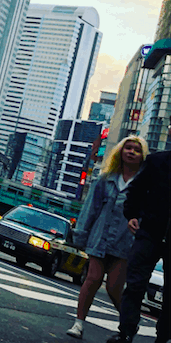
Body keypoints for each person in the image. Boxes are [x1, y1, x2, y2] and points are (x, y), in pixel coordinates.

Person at [66, 136, 148, 339]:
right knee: (92, 279)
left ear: (142, 156)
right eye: (127, 148)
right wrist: (81, 235)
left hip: (125, 242)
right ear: (120, 151)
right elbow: (89, 209)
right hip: (99, 237)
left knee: (114, 287)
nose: (131, 152)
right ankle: (78, 323)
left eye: (136, 150)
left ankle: (129, 321)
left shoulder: (144, 185)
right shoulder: (105, 179)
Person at [107, 148, 170, 343]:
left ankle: (163, 337)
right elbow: (136, 189)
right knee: (134, 284)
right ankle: (125, 332)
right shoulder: (156, 161)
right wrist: (132, 213)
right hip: (149, 231)